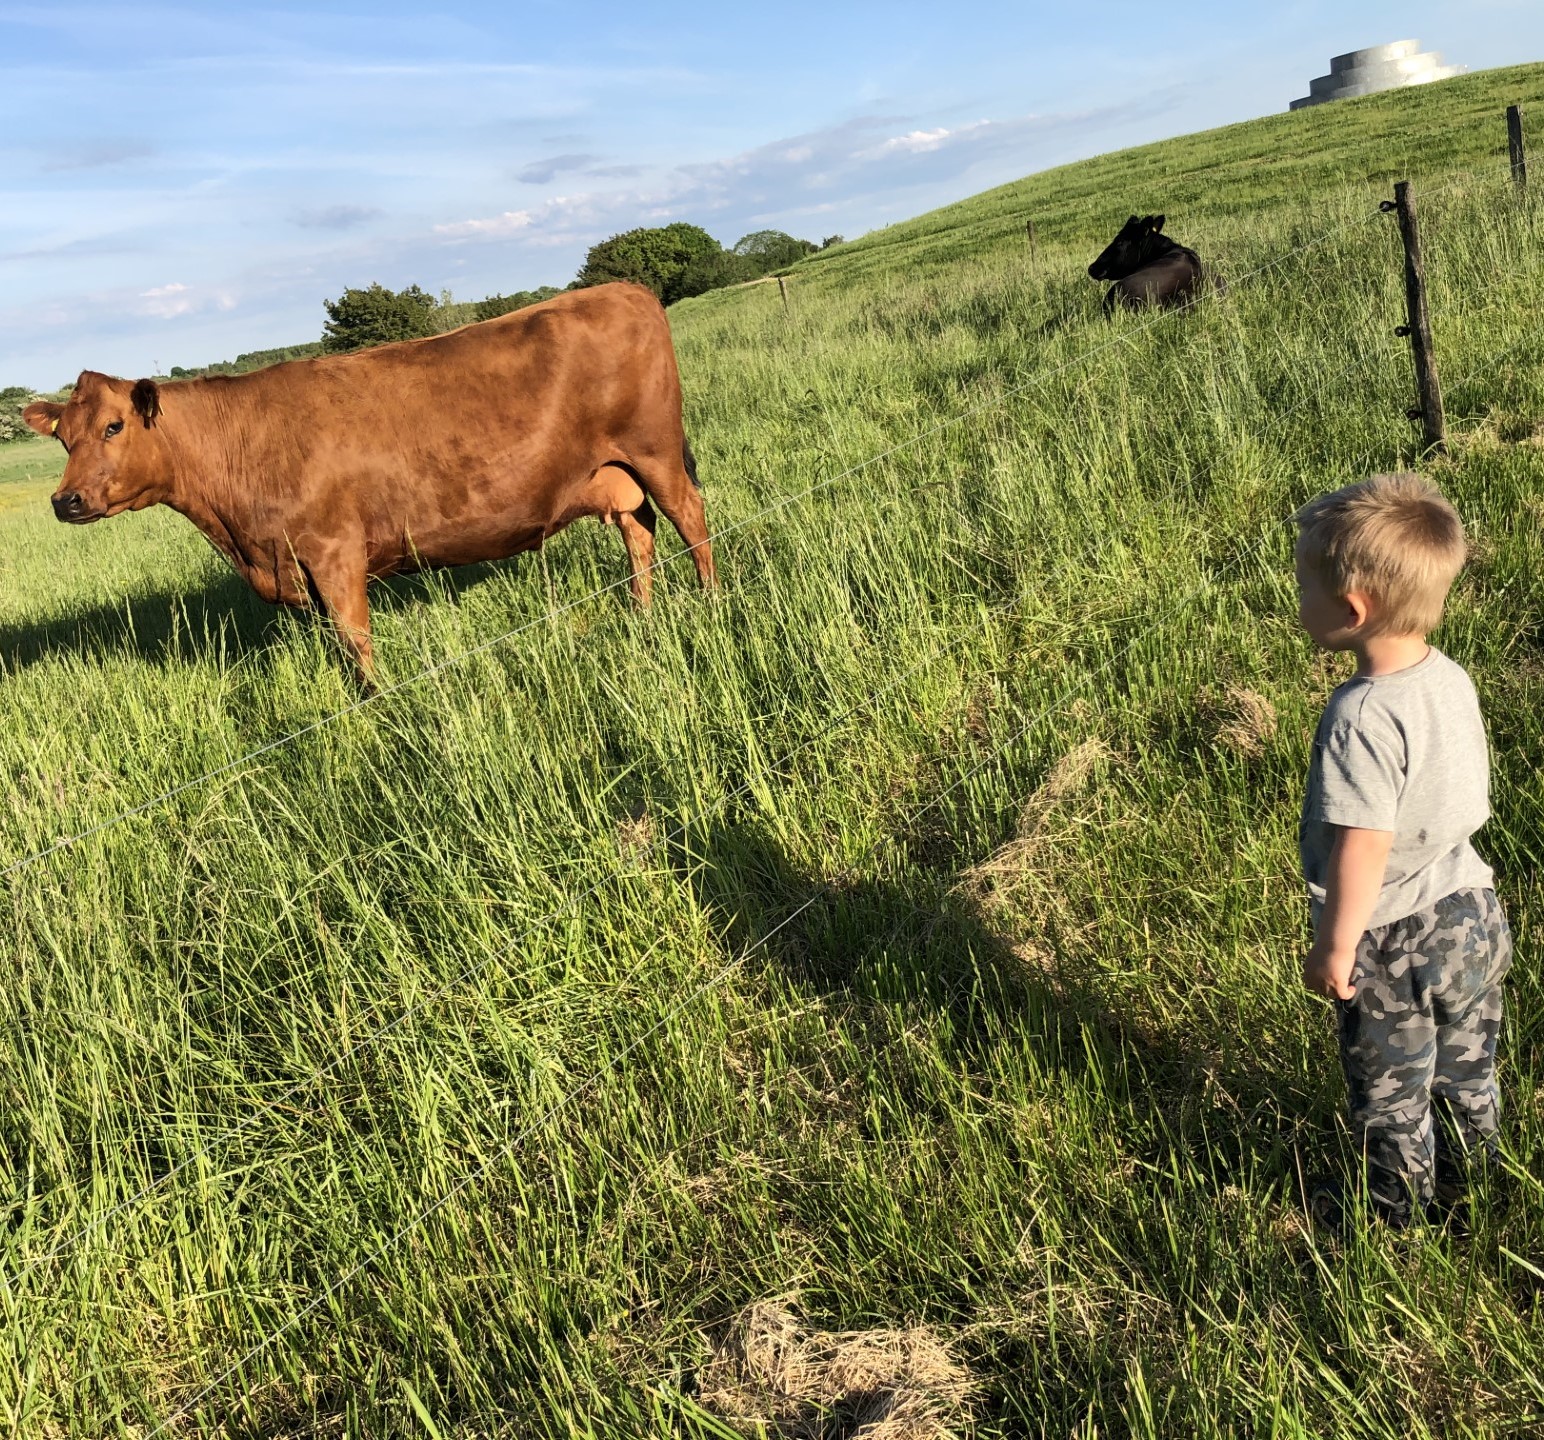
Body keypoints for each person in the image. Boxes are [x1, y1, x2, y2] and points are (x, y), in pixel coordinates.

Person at [1294, 472, 1510, 1231]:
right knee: (1465, 1068)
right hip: (1473, 910)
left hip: (1395, 939)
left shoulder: (1359, 715)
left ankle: (1396, 1222)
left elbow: (1363, 843)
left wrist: (1337, 944)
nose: (1298, 604)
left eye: (1303, 590)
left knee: (1391, 1095)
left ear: (1353, 610)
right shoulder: (1447, 677)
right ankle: (1475, 1182)